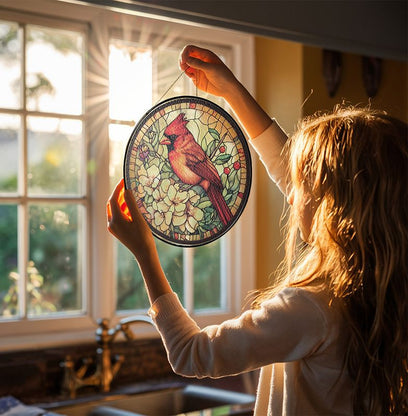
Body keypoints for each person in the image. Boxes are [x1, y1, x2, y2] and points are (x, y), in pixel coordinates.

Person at [107, 45, 408, 415]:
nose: (293, 193)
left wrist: (144, 252)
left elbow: (191, 354)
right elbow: (287, 165)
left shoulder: (311, 308)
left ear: (331, 205)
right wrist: (231, 89)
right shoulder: (381, 283)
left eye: (302, 186)